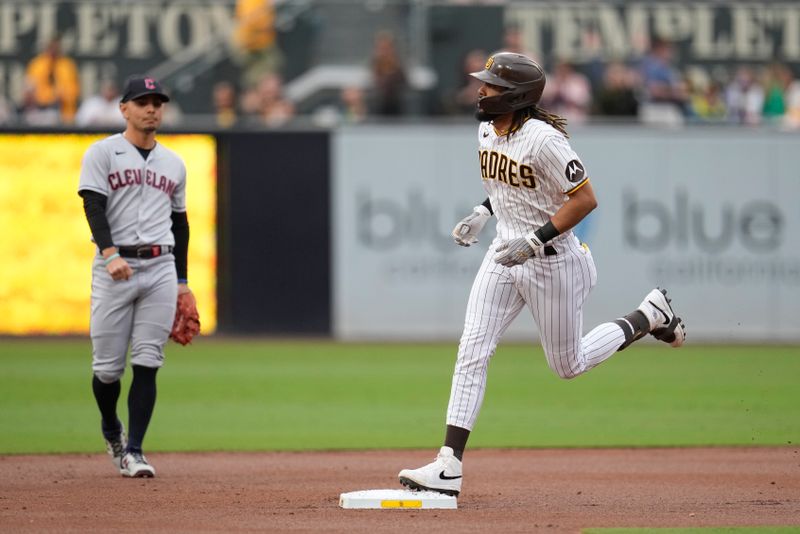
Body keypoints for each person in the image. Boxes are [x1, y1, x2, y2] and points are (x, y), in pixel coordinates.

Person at [397, 53, 686, 497]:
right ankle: (448, 464)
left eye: (491, 85)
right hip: (503, 253)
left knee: (567, 366)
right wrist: (481, 210)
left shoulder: (544, 139)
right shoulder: (485, 130)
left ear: (514, 95)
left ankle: (647, 316)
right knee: (472, 347)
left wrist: (534, 240)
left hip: (553, 260)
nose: (481, 90)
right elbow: (511, 187)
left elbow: (584, 199)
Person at [78, 75, 196, 478]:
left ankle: (135, 451)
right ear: (124, 108)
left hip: (160, 266)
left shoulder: (174, 163)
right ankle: (111, 426)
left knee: (148, 360)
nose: (151, 108)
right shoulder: (103, 153)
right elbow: (93, 207)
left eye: (157, 102)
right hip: (115, 267)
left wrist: (182, 282)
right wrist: (109, 253)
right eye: (143, 102)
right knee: (108, 369)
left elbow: (180, 225)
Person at [24, 35, 80, 124]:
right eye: (51, 47)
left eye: (56, 47)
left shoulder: (67, 65)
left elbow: (74, 91)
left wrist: (61, 95)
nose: (53, 50)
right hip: (40, 110)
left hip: (63, 111)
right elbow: (28, 91)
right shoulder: (37, 65)